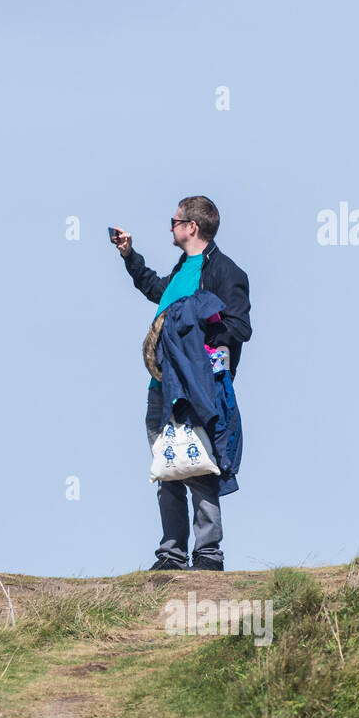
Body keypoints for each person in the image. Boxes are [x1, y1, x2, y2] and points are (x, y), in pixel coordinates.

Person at [113, 195, 252, 571]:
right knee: (168, 466)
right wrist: (130, 256)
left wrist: (196, 324)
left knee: (200, 464)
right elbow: (156, 290)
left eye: (173, 221)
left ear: (192, 227)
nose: (170, 227)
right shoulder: (181, 270)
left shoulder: (225, 271)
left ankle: (208, 554)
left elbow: (240, 327)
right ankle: (171, 554)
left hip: (196, 385)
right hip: (160, 387)